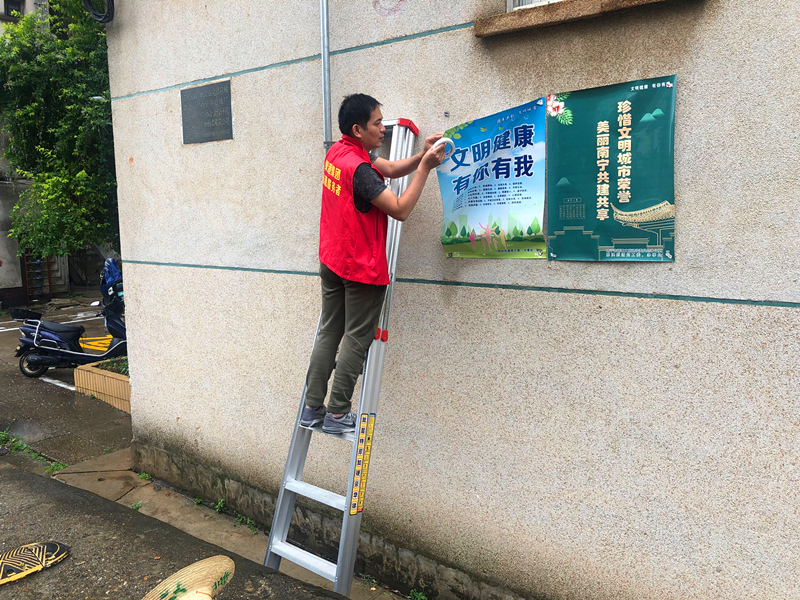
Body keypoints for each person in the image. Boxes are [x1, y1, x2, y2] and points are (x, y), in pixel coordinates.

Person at [300, 93, 446, 434]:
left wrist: (421, 155)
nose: (383, 128)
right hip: (358, 267)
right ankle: (338, 413)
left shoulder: (340, 153)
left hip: (332, 260)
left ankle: (312, 407)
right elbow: (400, 210)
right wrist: (426, 169)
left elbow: (390, 169)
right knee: (356, 337)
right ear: (358, 129)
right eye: (377, 123)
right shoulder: (361, 170)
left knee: (330, 331)